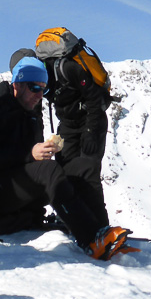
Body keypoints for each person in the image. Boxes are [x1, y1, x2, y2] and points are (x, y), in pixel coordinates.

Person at [0, 56, 131, 259]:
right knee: (49, 171)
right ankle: (91, 239)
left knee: (82, 167)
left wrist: (41, 152)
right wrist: (29, 154)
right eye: (35, 88)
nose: (40, 95)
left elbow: (26, 158)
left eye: (44, 89)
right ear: (18, 84)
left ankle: (102, 231)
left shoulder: (29, 113)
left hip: (13, 187)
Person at [37, 35, 112, 226]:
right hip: (68, 125)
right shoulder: (40, 78)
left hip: (91, 120)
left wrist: (90, 131)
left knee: (89, 171)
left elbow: (94, 99)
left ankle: (100, 224)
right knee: (65, 170)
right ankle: (72, 218)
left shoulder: (68, 68)